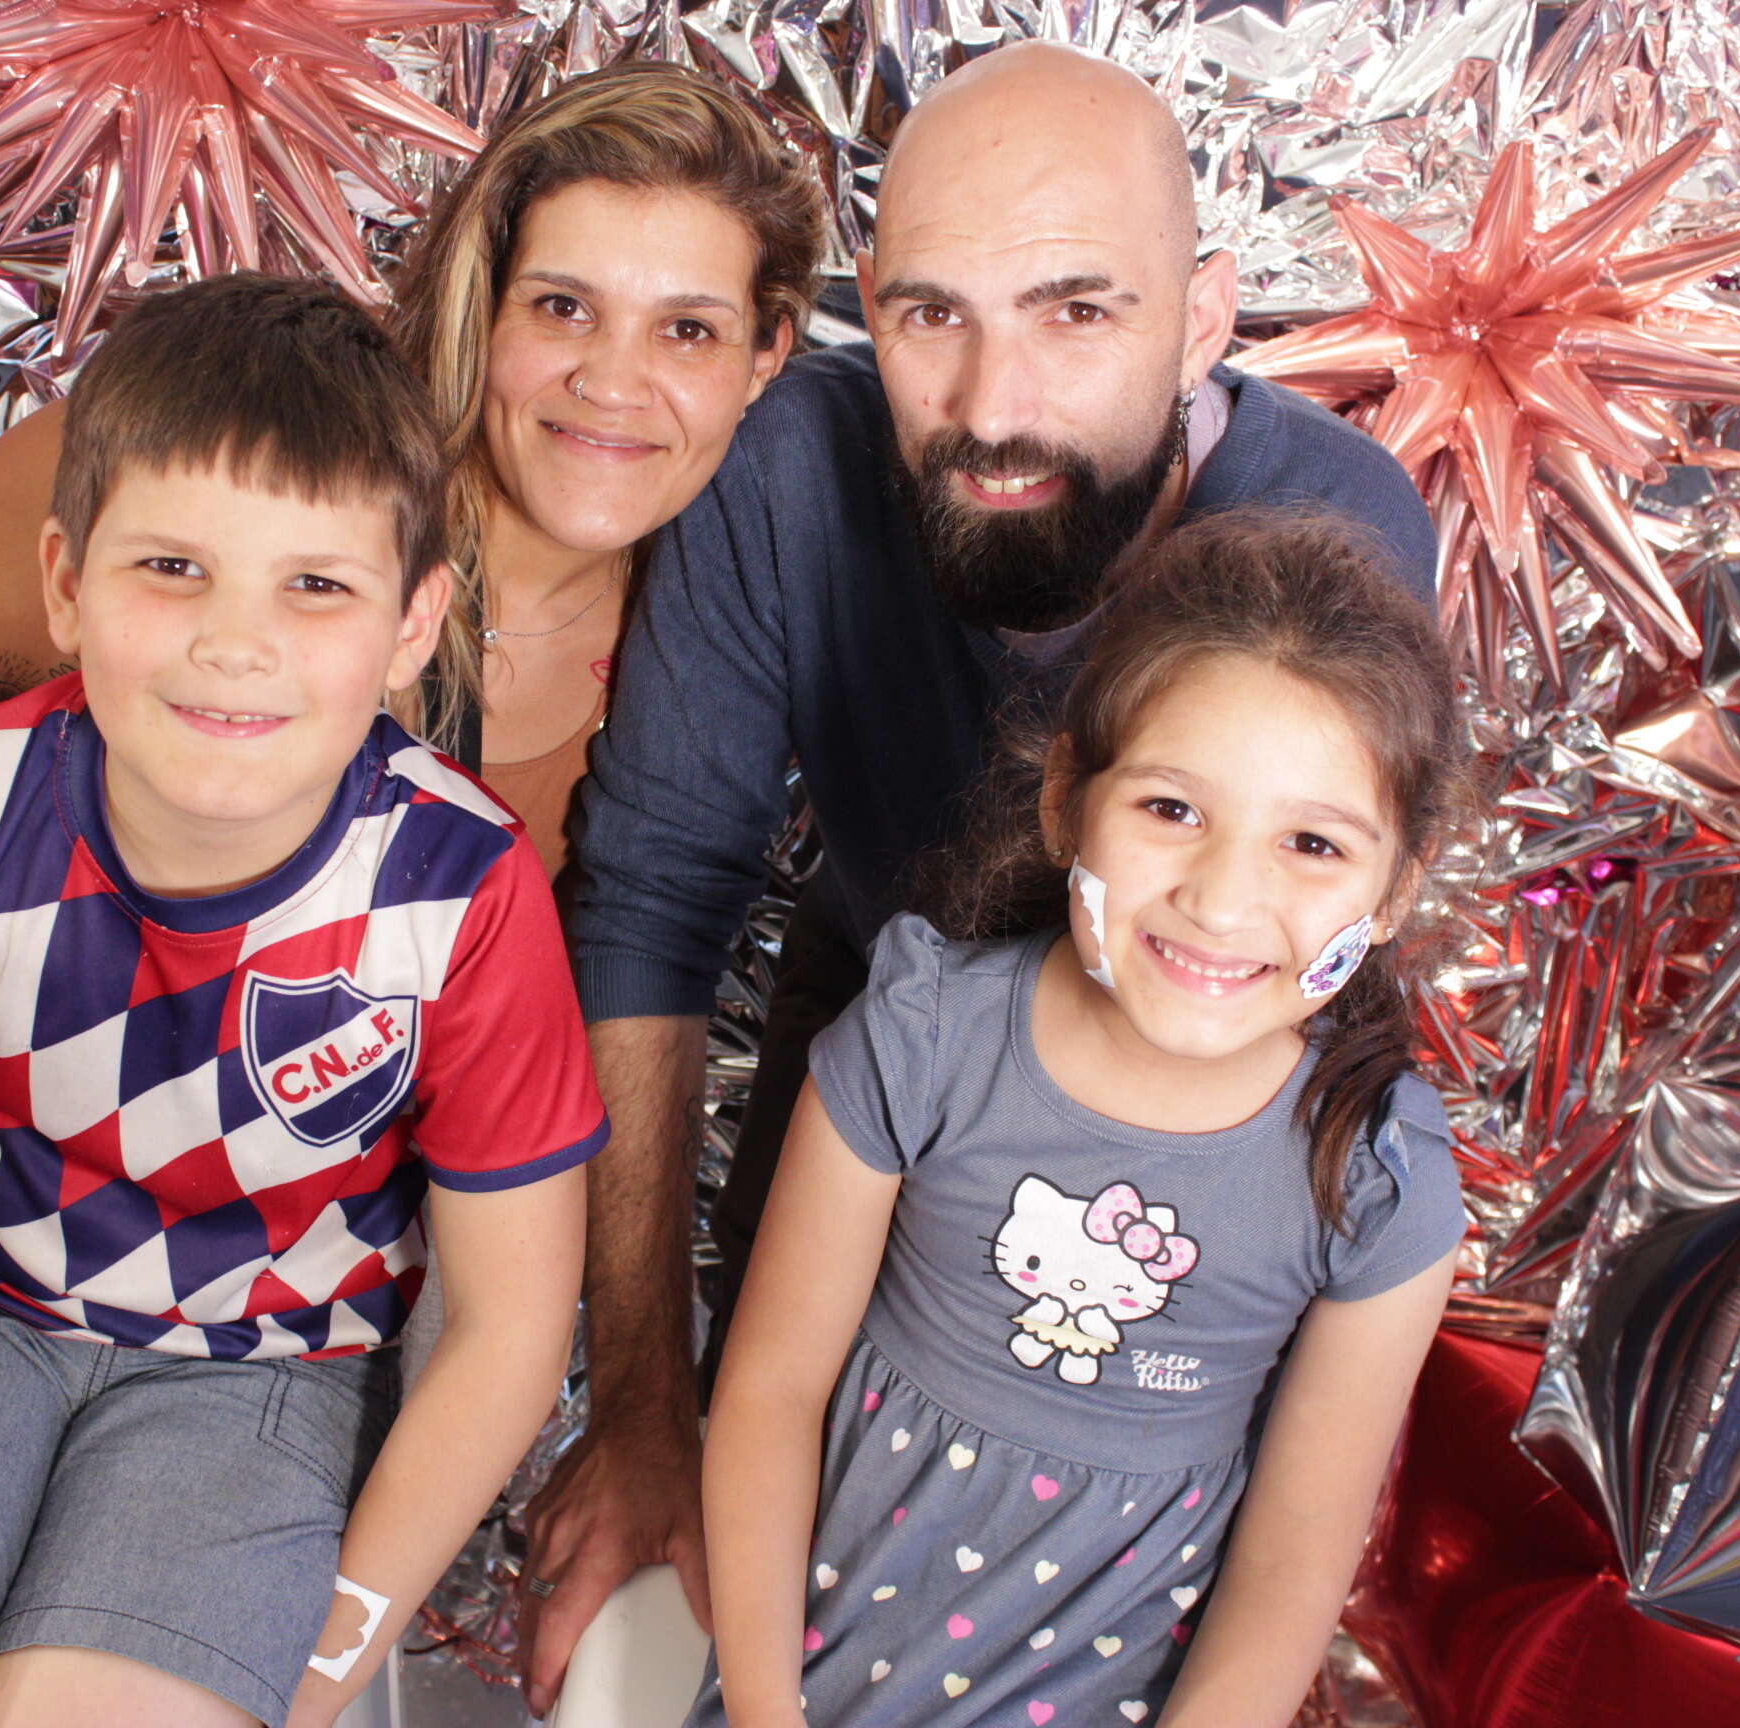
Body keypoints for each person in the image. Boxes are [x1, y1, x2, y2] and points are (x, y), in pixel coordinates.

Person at [0, 62, 824, 1345]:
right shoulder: (248, 454)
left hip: (235, 1294)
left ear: (766, 356)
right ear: (487, 297)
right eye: (563, 306)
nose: (613, 381)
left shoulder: (715, 632)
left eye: (688, 330)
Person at [525, 44, 1441, 1700]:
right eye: (930, 315)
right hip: (882, 998)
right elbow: (653, 901)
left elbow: (1294, 921)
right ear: (865, 306)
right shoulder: (788, 468)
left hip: (1190, 1062)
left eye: (1076, 312)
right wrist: (646, 1408)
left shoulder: (1331, 522)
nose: (993, 404)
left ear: (1204, 317)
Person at [0, 276, 606, 1728]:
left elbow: (508, 1329)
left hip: (263, 1379)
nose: (235, 642)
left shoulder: (463, 895)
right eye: (173, 567)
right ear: (66, 581)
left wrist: (327, 1656)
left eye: (316, 585)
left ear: (415, 623)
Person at [693, 510, 1467, 1727]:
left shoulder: (1377, 1178)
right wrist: (761, 1711)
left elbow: (1292, 1567)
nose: (1223, 899)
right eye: (1171, 810)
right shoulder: (921, 1040)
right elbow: (770, 1394)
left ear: (1393, 893)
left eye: (1313, 844)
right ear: (1067, 801)